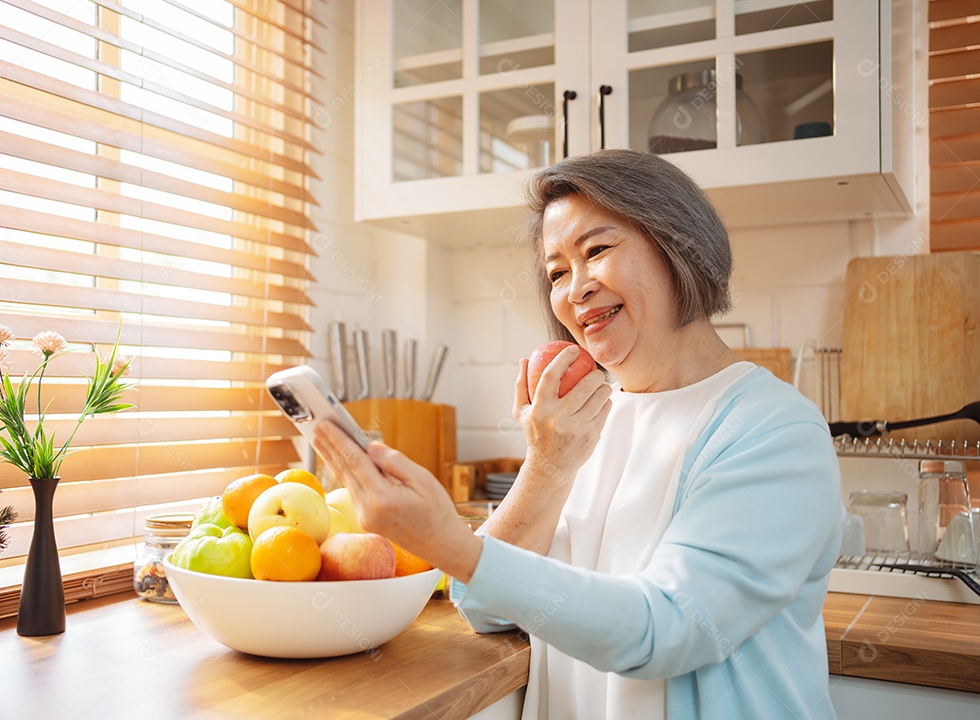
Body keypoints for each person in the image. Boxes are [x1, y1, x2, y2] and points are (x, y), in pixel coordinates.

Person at [313, 149, 844, 720]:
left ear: (679, 247)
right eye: (557, 272)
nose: (575, 289)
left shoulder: (772, 428)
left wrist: (447, 542)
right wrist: (546, 465)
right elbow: (485, 605)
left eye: (596, 251)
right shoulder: (582, 420)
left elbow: (665, 630)